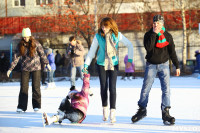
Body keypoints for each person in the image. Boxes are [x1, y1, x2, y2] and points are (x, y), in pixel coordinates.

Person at [131, 15, 180, 125]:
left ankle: (165, 113)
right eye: (154, 22)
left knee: (166, 89)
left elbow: (172, 52)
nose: (156, 24)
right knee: (145, 89)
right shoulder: (148, 35)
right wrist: (154, 34)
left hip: (164, 65)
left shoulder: (167, 36)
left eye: (158, 23)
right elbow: (148, 48)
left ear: (162, 24)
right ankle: (142, 110)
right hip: (151, 65)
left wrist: (177, 66)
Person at [82, 17, 133, 123]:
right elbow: (92, 51)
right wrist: (86, 64)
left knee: (112, 88)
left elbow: (130, 45)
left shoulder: (117, 35)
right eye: (102, 26)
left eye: (105, 26)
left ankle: (112, 112)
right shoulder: (98, 36)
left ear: (110, 26)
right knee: (104, 87)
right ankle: (105, 109)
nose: (103, 28)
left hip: (113, 64)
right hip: (101, 64)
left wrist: (130, 60)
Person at [7, 28, 51, 113]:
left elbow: (42, 54)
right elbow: (16, 58)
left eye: (27, 37)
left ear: (30, 36)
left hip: (36, 67)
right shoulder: (20, 45)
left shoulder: (36, 44)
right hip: (25, 68)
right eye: (24, 37)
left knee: (36, 87)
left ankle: (37, 106)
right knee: (23, 87)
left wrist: (46, 63)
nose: (25, 38)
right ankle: (22, 107)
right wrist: (10, 69)